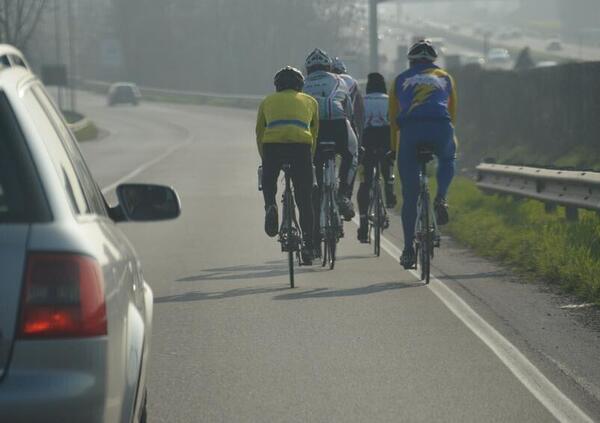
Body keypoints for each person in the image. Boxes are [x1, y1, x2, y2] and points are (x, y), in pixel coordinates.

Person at [389, 40, 457, 269]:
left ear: (411, 61)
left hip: (411, 131)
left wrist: (393, 148)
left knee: (410, 197)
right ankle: (441, 197)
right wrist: (448, 138)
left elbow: (393, 118)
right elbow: (452, 112)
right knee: (448, 158)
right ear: (433, 61)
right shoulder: (445, 77)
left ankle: (408, 250)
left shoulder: (400, 79)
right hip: (441, 128)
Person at [256, 66, 319, 265]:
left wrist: (264, 158)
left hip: (273, 147)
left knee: (269, 180)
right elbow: (314, 132)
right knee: (305, 199)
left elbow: (259, 132)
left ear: (277, 86)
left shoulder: (267, 101)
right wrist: (310, 157)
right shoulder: (310, 101)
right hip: (301, 148)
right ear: (300, 86)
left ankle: (270, 205)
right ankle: (309, 245)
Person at [302, 48, 359, 254]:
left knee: (314, 183)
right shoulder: (339, 80)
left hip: (314, 128)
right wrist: (353, 131)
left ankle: (315, 242)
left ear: (308, 69)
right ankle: (344, 194)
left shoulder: (302, 83)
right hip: (338, 125)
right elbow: (350, 110)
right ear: (328, 67)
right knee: (352, 155)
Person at [356, 72, 397, 243]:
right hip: (386, 138)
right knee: (386, 163)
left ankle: (364, 221)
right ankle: (389, 189)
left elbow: (356, 123)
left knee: (365, 182)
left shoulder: (362, 100)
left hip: (367, 139)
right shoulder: (389, 100)